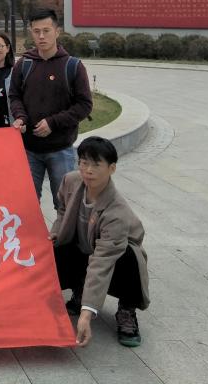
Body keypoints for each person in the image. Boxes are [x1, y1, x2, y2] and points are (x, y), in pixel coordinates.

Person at [50, 137, 150, 348]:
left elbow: (102, 261)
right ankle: (79, 290)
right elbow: (62, 209)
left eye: (96, 165)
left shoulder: (117, 212)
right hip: (83, 245)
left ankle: (126, 310)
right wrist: (57, 232)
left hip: (115, 255)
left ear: (112, 168)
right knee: (53, 250)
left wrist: (87, 313)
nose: (88, 170)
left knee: (129, 259)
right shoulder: (70, 181)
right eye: (84, 163)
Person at [9, 9, 93, 210]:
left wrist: (53, 123)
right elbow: (14, 96)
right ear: (31, 32)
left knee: (65, 205)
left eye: (46, 31)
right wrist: (20, 116)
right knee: (27, 205)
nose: (41, 36)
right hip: (28, 149)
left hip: (61, 149)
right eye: (36, 31)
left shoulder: (73, 66)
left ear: (57, 31)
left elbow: (84, 105)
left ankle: (64, 232)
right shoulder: (24, 64)